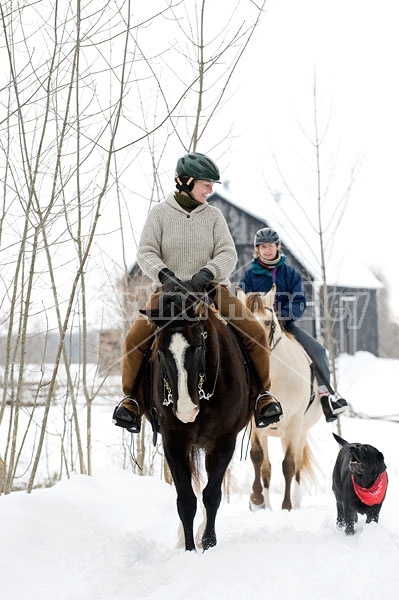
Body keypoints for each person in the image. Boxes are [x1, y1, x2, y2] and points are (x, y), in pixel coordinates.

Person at [113, 152, 283, 433]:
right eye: (206, 184)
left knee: (255, 332)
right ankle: (131, 401)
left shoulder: (214, 216)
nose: (210, 190)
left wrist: (206, 274)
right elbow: (145, 252)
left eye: (211, 185)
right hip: (168, 292)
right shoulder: (160, 214)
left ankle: (263, 396)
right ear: (186, 182)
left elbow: (228, 253)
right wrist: (165, 275)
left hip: (211, 290)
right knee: (133, 340)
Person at [239, 227, 348, 423]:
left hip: (284, 325)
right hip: (256, 329)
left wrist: (281, 316)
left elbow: (299, 301)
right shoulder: (249, 277)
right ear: (257, 250)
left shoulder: (289, 273)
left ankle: (327, 397)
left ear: (277, 247)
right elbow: (241, 304)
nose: (267, 250)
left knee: (318, 350)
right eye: (263, 247)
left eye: (270, 246)